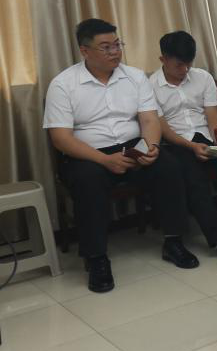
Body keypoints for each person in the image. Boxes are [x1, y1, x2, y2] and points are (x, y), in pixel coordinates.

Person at [44, 19, 199, 294]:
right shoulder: (63, 84)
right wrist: (104, 160)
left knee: (168, 166)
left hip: (132, 145)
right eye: (106, 47)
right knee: (88, 181)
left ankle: (174, 241)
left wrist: (151, 147)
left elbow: (149, 120)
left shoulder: (135, 77)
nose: (115, 52)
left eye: (117, 45)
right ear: (85, 51)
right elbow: (61, 138)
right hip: (88, 154)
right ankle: (96, 258)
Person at [149, 31, 217, 266]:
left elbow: (212, 115)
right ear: (163, 59)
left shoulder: (202, 77)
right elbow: (162, 128)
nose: (185, 70)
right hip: (176, 142)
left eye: (189, 64)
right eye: (179, 65)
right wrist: (191, 146)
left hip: (206, 136)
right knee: (193, 175)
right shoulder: (150, 85)